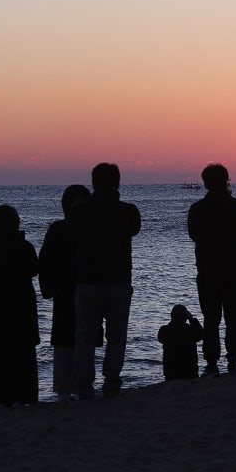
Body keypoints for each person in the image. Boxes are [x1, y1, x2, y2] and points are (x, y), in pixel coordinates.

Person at [70, 163, 141, 399]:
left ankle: (84, 386)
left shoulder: (80, 213)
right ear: (117, 183)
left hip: (88, 281)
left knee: (85, 335)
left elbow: (73, 231)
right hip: (119, 280)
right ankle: (111, 381)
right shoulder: (128, 211)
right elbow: (135, 229)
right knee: (117, 334)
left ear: (93, 182)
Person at [0, 205, 40, 411]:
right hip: (22, 316)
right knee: (23, 359)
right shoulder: (25, 249)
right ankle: (23, 398)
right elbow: (33, 268)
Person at [187, 163, 236, 377]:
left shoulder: (197, 209)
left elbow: (193, 234)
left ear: (205, 183)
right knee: (234, 317)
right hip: (233, 268)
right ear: (226, 181)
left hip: (207, 270)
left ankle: (212, 363)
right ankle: (233, 361)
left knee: (211, 318)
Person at [38, 184, 92, 402]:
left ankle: (78, 386)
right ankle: (67, 389)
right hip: (68, 290)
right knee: (68, 339)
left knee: (81, 337)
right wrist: (48, 287)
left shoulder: (64, 230)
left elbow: (45, 262)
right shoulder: (61, 230)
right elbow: (46, 262)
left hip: (83, 289)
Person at [157, 305, 204, 381]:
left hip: (171, 373)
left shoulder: (164, 330)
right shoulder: (190, 330)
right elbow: (201, 333)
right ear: (185, 317)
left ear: (171, 316)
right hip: (190, 372)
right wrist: (191, 319)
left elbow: (160, 338)